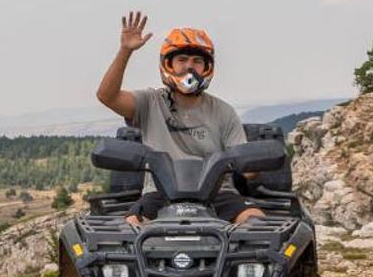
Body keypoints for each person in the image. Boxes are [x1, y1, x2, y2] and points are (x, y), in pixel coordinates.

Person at [95, 12, 262, 225]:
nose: (189, 67)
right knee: (131, 228)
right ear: (169, 64)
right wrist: (125, 51)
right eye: (182, 59)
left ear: (207, 67)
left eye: (197, 61)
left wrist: (254, 163)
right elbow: (107, 96)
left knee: (256, 223)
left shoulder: (223, 111)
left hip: (219, 194)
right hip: (160, 193)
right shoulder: (150, 102)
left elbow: (247, 169)